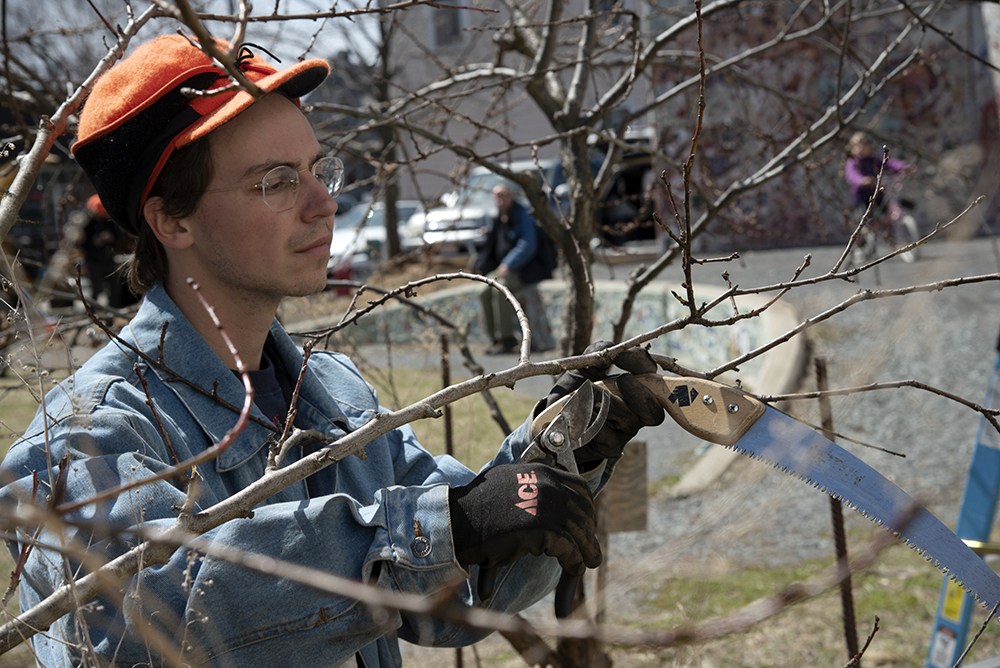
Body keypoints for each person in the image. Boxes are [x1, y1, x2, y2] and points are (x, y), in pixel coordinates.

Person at [0, 34, 665, 666]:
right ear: (173, 219)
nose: (324, 204)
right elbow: (132, 630)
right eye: (276, 181)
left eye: (318, 169)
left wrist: (566, 450)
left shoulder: (334, 399)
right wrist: (445, 527)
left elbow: (458, 587)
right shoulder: (81, 439)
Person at [475, 184, 556, 355]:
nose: (500, 198)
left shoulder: (523, 215)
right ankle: (494, 339)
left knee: (500, 290)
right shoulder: (498, 218)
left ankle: (506, 339)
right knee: (482, 290)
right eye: (496, 195)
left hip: (527, 270)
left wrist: (509, 264)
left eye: (504, 194)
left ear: (512, 196)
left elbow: (528, 245)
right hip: (505, 269)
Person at [844, 132, 909, 213]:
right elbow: (853, 175)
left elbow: (890, 163)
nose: (864, 147)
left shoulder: (874, 160)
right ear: (853, 148)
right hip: (863, 198)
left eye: (866, 143)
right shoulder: (853, 163)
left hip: (878, 195)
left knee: (887, 211)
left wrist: (904, 167)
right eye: (861, 144)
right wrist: (863, 180)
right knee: (867, 216)